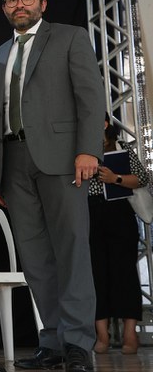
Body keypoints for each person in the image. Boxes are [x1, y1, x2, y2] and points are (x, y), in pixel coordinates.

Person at [0, 0, 104, 372]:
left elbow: (91, 97)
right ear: (4, 7)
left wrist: (88, 149)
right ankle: (52, 341)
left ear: (42, 3)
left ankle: (78, 345)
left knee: (71, 251)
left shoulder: (69, 37)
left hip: (63, 159)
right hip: (13, 162)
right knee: (35, 258)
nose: (20, 5)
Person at [89, 114, 148, 355]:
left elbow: (142, 178)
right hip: (90, 213)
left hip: (119, 212)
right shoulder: (77, 149)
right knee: (96, 273)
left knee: (125, 272)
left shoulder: (121, 147)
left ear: (104, 123)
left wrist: (115, 178)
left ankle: (129, 333)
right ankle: (101, 335)